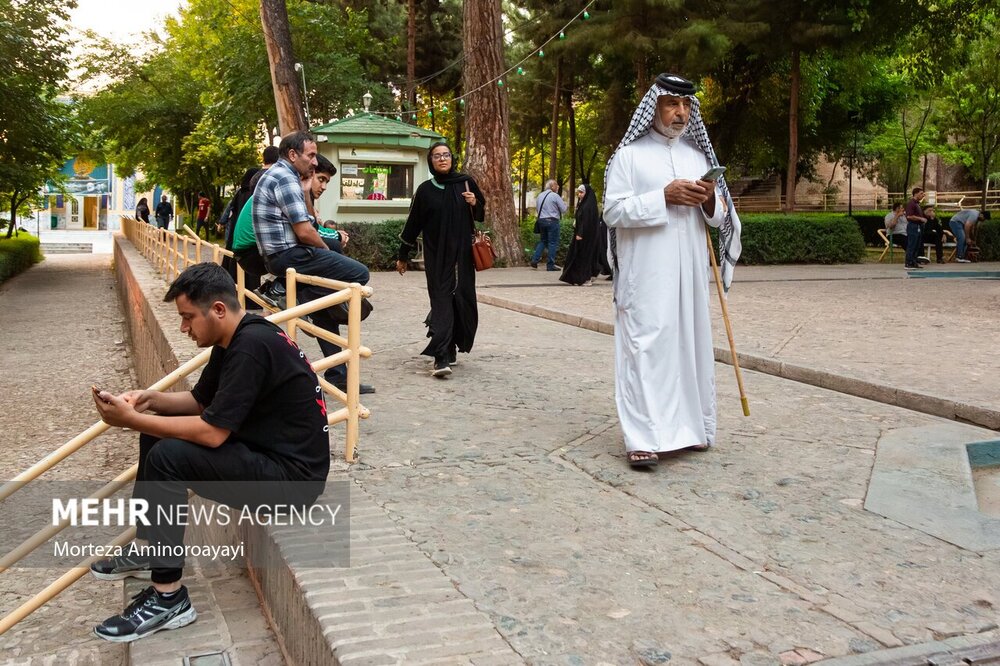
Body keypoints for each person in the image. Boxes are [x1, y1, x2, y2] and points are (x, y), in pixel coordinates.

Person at [88, 262, 329, 642]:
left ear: (217, 310)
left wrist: (131, 420)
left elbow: (213, 433)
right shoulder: (237, 335)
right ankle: (154, 549)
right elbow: (202, 402)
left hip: (291, 481)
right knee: (155, 435)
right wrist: (148, 401)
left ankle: (170, 598)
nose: (184, 329)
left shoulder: (251, 346)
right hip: (264, 455)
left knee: (168, 455)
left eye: (187, 318)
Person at [603, 73, 741, 469]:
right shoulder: (628, 156)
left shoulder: (699, 158)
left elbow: (721, 220)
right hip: (645, 274)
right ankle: (642, 437)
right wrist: (661, 196)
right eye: (671, 104)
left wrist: (710, 199)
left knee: (690, 344)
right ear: (654, 108)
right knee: (646, 346)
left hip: (690, 273)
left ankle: (693, 428)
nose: (679, 112)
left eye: (686, 106)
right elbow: (612, 211)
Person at [252, 130, 375, 394]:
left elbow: (310, 223)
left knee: (324, 307)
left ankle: (338, 373)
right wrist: (328, 254)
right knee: (360, 273)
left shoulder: (285, 175)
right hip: (287, 257)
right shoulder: (285, 177)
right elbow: (306, 231)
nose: (315, 161)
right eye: (310, 156)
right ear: (293, 154)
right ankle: (290, 292)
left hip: (280, 257)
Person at [396, 141, 485, 377]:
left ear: (452, 158)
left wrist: (474, 202)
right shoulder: (426, 190)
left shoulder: (465, 182)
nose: (442, 159)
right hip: (438, 257)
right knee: (442, 301)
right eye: (437, 156)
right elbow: (412, 224)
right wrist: (402, 255)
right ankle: (441, 356)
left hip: (463, 257)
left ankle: (453, 346)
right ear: (431, 161)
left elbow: (481, 214)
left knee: (462, 300)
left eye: (446, 155)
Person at [559, 184, 602, 286]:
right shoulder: (584, 204)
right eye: (578, 192)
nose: (579, 195)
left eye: (581, 192)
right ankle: (580, 277)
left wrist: (580, 233)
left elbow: (586, 221)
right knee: (579, 256)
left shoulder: (588, 206)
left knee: (583, 257)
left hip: (585, 237)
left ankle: (584, 278)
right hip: (582, 235)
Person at [531, 180, 567, 270]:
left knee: (543, 241)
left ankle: (534, 260)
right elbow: (563, 209)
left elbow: (537, 209)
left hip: (541, 221)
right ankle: (550, 265)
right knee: (552, 243)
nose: (558, 186)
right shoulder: (555, 196)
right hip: (552, 221)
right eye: (556, 185)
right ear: (551, 186)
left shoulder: (540, 196)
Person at [904, 187, 927, 270]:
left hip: (918, 226)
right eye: (921, 193)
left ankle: (914, 262)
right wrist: (920, 219)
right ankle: (908, 263)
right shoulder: (911, 203)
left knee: (917, 245)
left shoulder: (917, 204)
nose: (923, 195)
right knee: (912, 245)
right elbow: (909, 216)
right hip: (913, 226)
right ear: (916, 193)